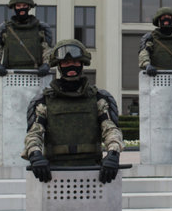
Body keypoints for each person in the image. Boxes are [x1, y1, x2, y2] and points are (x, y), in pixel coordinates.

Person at [22, 39, 123, 184]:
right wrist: (35, 155)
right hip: (55, 173)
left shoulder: (98, 98)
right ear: (59, 66)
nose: (71, 66)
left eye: (75, 62)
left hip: (93, 171)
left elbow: (111, 129)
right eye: (66, 63)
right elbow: (34, 133)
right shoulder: (44, 101)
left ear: (82, 64)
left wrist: (113, 153)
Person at [0, 0, 53, 77]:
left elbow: (47, 49)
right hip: (10, 74)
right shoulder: (4, 28)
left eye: (24, 6)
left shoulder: (41, 27)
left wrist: (46, 64)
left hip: (35, 74)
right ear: (14, 7)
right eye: (18, 6)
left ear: (29, 7)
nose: (21, 8)